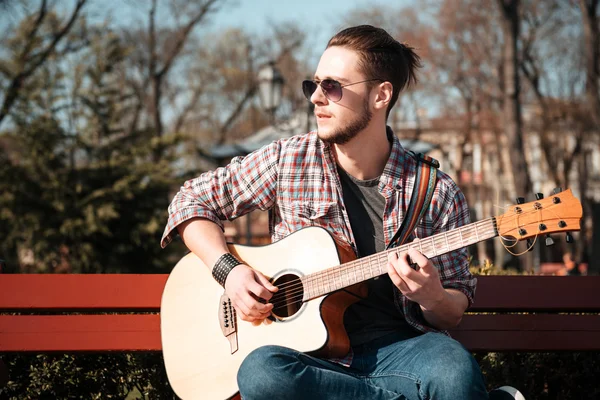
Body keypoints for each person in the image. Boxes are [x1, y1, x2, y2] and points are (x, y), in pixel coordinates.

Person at [161, 25, 524, 400]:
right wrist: (229, 271)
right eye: (313, 85)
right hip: (312, 360)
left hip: (403, 352)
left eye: (332, 86)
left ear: (381, 95)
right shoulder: (288, 160)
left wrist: (433, 297)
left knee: (454, 371)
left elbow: (451, 312)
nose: (316, 98)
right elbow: (189, 202)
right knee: (262, 372)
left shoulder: (436, 191)